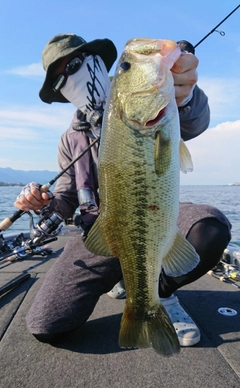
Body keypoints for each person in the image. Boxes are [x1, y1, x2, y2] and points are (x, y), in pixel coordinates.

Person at [14, 33, 231, 348]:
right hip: (101, 231)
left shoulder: (159, 103)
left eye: (74, 65)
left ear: (99, 64)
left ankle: (159, 293)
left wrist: (185, 89)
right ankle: (128, 284)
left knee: (210, 228)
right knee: (46, 325)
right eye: (61, 79)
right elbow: (65, 201)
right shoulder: (69, 140)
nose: (70, 78)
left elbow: (195, 121)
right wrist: (41, 202)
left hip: (157, 214)